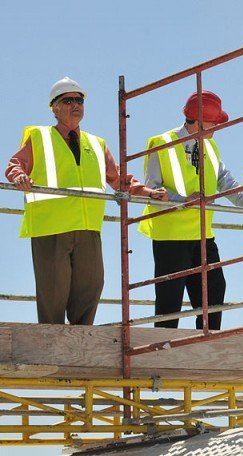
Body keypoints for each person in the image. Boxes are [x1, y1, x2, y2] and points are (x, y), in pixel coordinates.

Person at [5, 77, 165, 325]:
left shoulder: (96, 143)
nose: (75, 104)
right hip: (51, 228)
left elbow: (119, 178)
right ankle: (52, 346)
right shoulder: (39, 137)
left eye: (79, 100)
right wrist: (20, 177)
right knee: (53, 292)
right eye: (68, 100)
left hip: (88, 228)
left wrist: (147, 192)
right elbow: (15, 165)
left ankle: (81, 344)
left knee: (91, 286)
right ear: (54, 108)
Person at [138, 90, 243, 330]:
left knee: (214, 294)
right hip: (171, 236)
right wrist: (184, 200)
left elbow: (225, 180)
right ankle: (161, 357)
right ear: (198, 120)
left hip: (203, 235)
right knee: (169, 303)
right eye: (214, 122)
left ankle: (206, 345)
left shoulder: (211, 147)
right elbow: (151, 190)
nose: (217, 127)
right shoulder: (161, 143)